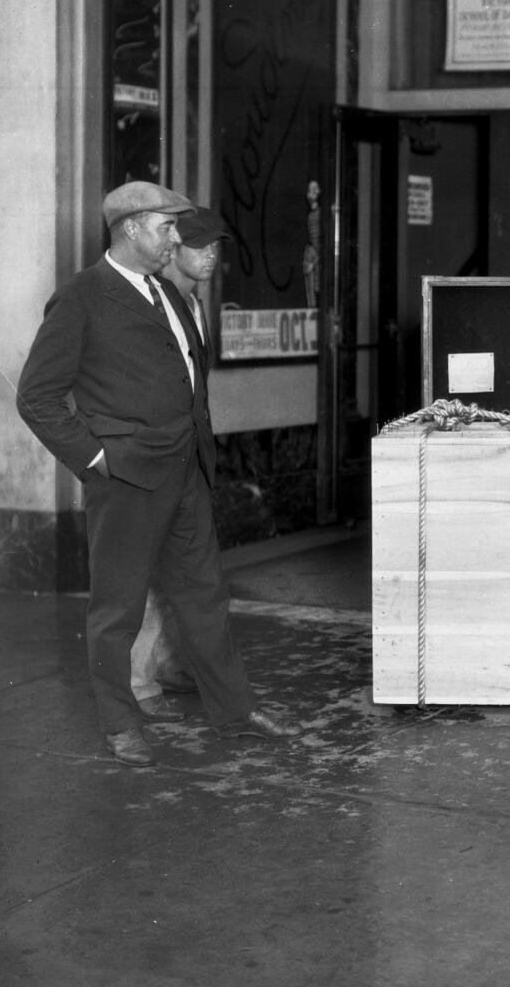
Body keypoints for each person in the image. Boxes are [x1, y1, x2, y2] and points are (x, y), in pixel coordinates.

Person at [16, 181, 299, 766]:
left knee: (205, 599)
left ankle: (235, 711)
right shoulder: (81, 297)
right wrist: (97, 460)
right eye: (167, 227)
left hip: (185, 474)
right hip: (126, 480)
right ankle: (120, 723)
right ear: (132, 229)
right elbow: (37, 396)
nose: (177, 238)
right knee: (117, 610)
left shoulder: (167, 295)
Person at [126, 206, 232, 726]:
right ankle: (138, 684)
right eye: (199, 244)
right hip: (150, 463)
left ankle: (167, 666)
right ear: (173, 250)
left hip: (189, 459)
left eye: (216, 246)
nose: (210, 255)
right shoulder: (151, 303)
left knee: (182, 573)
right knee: (145, 575)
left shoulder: (192, 300)